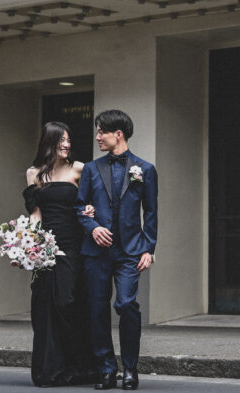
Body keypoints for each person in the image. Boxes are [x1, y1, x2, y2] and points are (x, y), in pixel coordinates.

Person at [77, 109, 158, 391]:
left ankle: (131, 370)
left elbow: (151, 211)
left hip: (130, 252)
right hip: (96, 253)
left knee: (126, 304)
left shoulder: (144, 169)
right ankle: (107, 370)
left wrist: (149, 248)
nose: (98, 137)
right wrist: (92, 226)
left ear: (118, 134)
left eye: (102, 132)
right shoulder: (90, 169)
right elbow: (79, 206)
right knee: (98, 310)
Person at [23, 121, 97, 388]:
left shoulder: (80, 169)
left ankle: (80, 367)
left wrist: (91, 210)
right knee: (44, 307)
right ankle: (51, 370)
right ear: (49, 143)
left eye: (68, 140)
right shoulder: (34, 173)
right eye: (61, 140)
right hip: (46, 247)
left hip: (73, 244)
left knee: (67, 301)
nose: (66, 144)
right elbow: (35, 215)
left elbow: (92, 201)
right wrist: (25, 248)